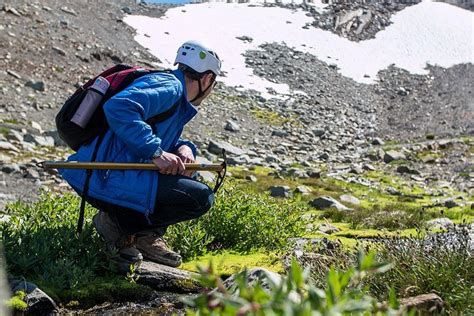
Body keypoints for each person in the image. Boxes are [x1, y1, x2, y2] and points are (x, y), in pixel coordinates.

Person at [60, 40, 221, 268]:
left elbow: (159, 134)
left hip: (107, 174)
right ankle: (120, 226)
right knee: (200, 198)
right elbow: (119, 107)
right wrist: (155, 152)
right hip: (106, 177)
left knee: (190, 177)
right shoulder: (171, 88)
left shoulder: (171, 89)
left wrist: (184, 148)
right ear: (207, 79)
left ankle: (141, 235)